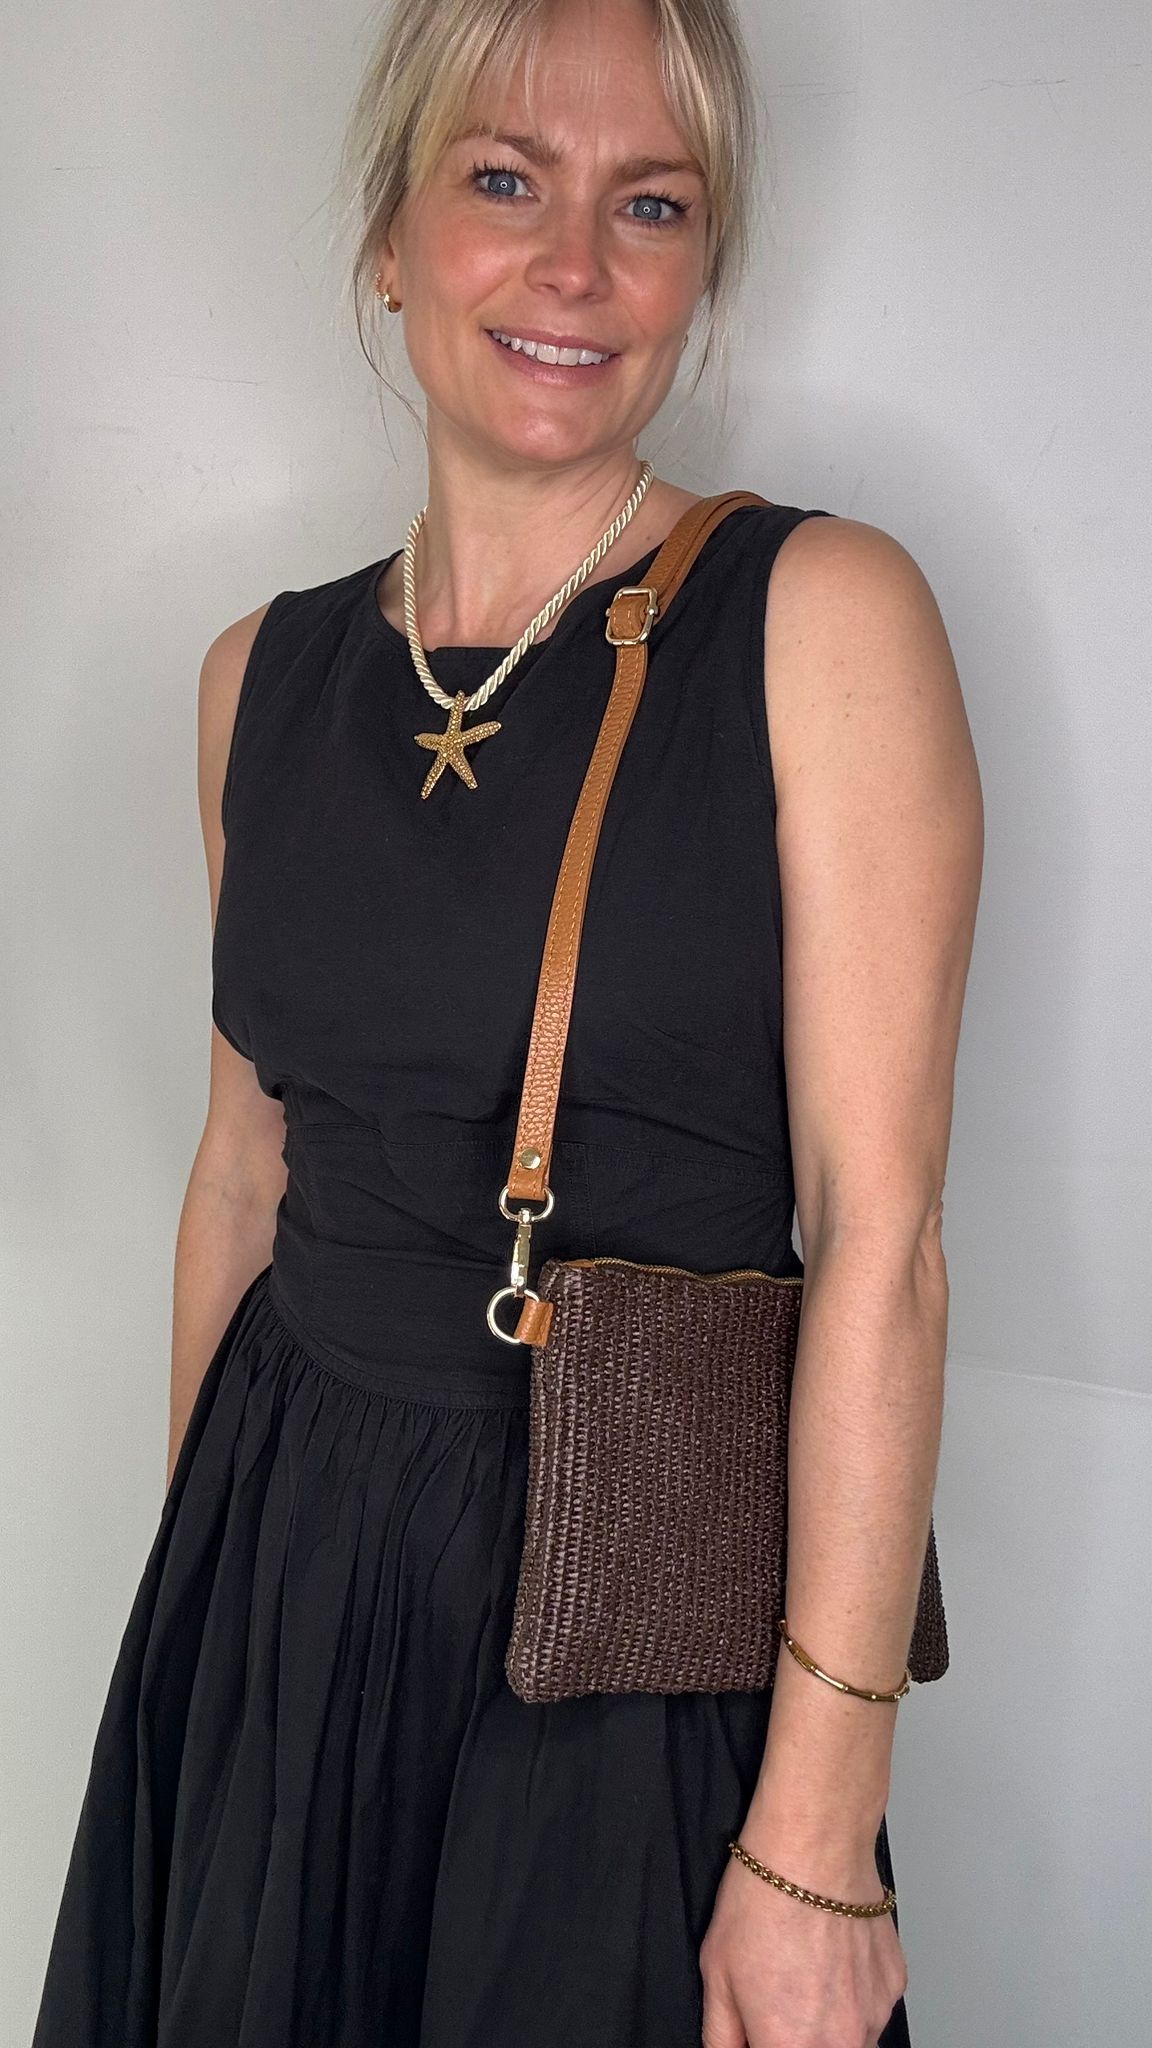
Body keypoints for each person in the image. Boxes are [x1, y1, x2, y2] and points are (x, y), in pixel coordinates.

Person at [31, 1, 983, 2043]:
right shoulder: (256, 681)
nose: (575, 266)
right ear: (389, 237)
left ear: (703, 263)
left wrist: (818, 1835)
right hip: (284, 1564)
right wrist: (205, 1631)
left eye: (651, 203)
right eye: (503, 181)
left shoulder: (818, 618)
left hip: (620, 1627)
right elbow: (243, 1174)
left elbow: (883, 1242)